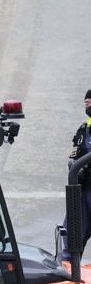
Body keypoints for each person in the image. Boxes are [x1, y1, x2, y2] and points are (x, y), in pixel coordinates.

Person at [61, 89, 91, 262]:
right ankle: (70, 280)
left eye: (90, 99)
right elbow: (74, 157)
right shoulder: (83, 130)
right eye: (86, 99)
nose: (87, 101)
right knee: (72, 243)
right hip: (84, 190)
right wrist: (75, 166)